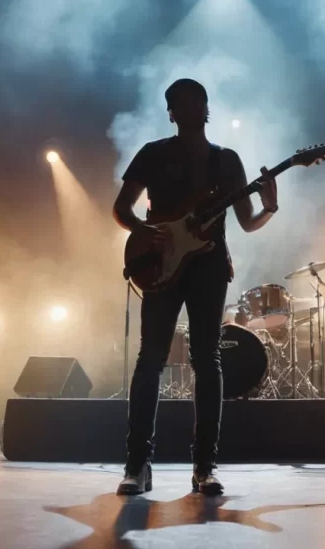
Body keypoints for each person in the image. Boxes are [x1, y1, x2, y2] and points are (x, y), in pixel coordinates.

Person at [112, 78, 278, 495]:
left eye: (197, 101)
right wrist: (144, 230)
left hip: (207, 266)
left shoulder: (226, 161)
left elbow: (246, 222)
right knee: (150, 358)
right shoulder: (152, 154)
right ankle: (137, 465)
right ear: (171, 112)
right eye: (180, 104)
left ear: (207, 108)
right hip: (160, 265)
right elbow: (121, 207)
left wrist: (270, 207)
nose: (190, 108)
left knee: (207, 360)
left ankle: (204, 467)